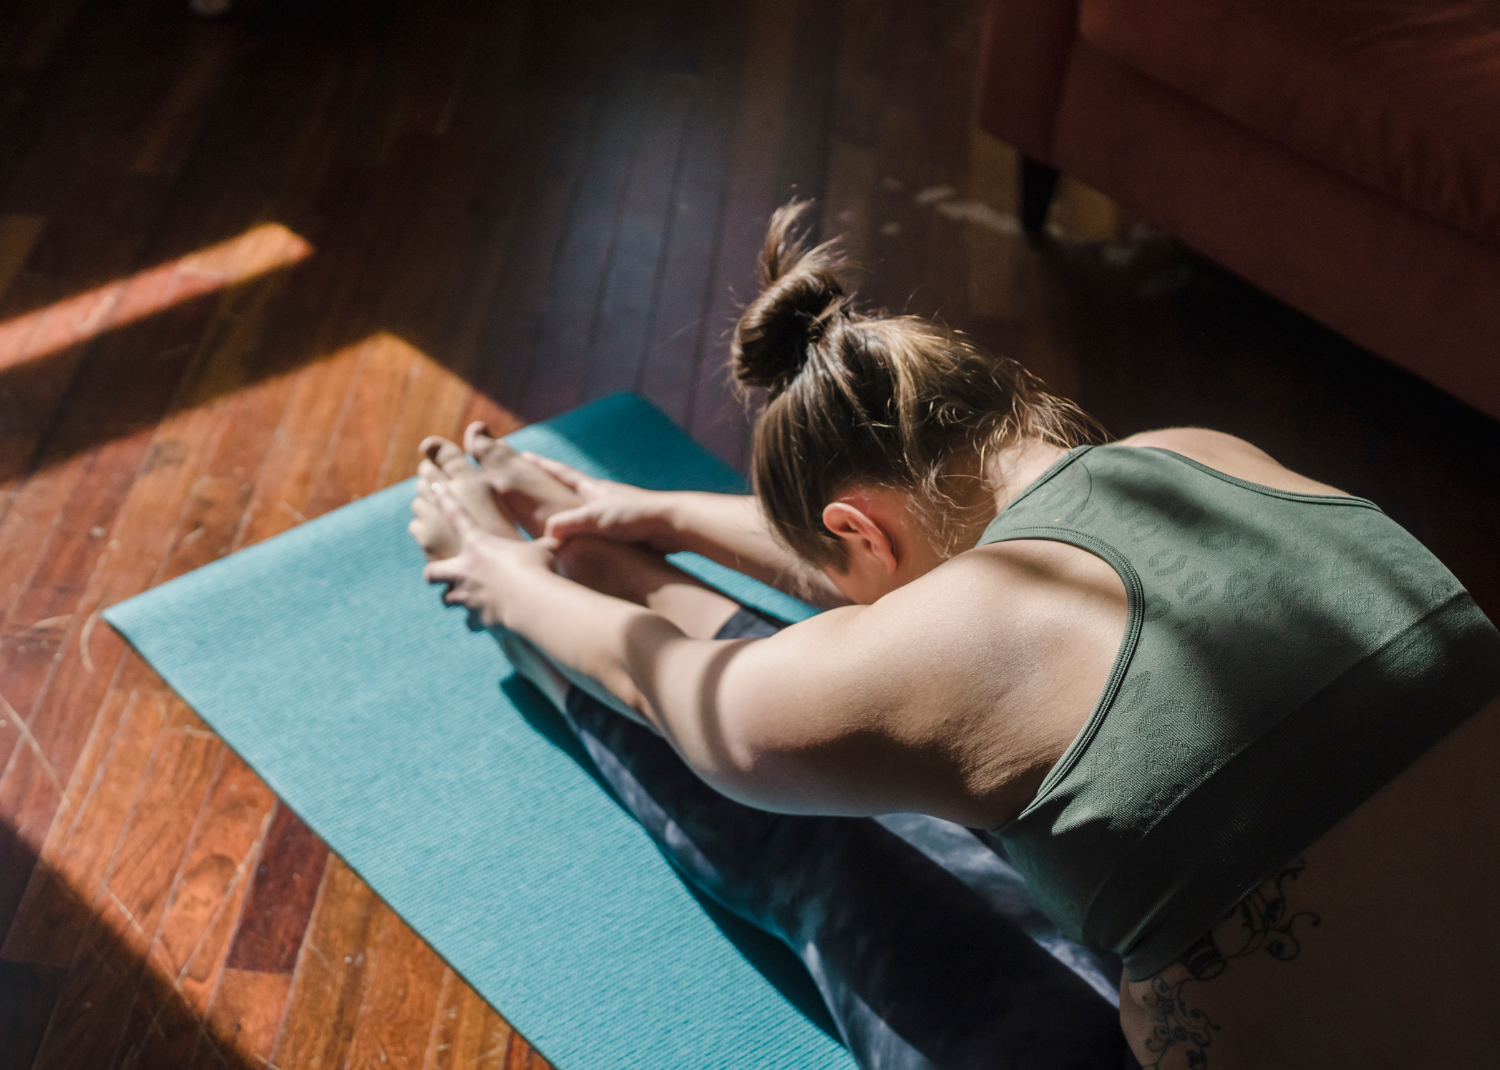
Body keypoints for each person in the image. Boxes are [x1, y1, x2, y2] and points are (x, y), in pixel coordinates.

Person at [410, 202, 1500, 1070]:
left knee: (835, 850)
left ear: (855, 528)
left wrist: (499, 578)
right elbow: (933, 571)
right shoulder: (1199, 459)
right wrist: (665, 511)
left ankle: (571, 595)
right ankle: (602, 551)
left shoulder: (971, 637)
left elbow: (701, 703)